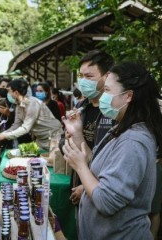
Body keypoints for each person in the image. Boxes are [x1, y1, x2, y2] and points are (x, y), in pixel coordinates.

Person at [63, 62, 162, 239]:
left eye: (108, 90)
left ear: (128, 96)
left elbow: (106, 201)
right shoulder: (123, 127)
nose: (103, 97)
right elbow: (105, 171)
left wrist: (80, 167)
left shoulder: (133, 141)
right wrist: (77, 132)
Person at [59, 49, 115, 207]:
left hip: (103, 190)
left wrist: (86, 187)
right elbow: (70, 145)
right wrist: (68, 138)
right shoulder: (80, 107)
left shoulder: (116, 111)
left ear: (107, 76)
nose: (83, 82)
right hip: (79, 179)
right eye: (81, 76)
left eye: (89, 76)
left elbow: (114, 161)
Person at [0, 78, 62, 151]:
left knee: (53, 160)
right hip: (41, 139)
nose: (8, 94)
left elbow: (25, 128)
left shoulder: (32, 103)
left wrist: (5, 136)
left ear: (16, 93)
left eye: (9, 91)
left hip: (54, 137)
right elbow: (16, 125)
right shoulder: (19, 105)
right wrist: (3, 134)